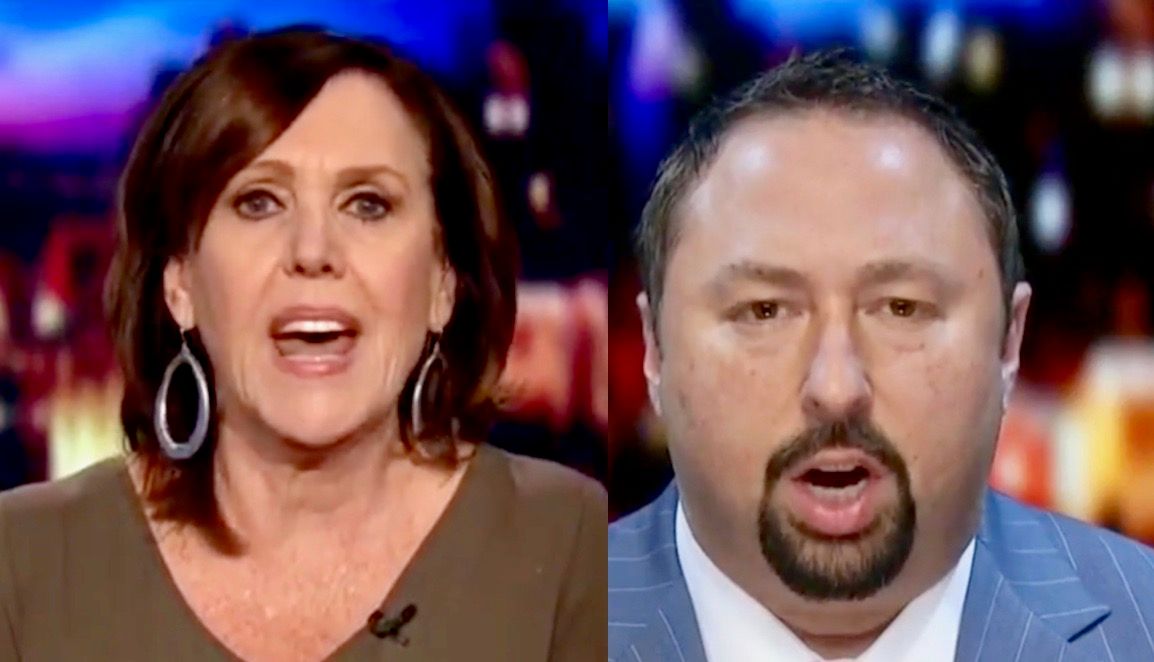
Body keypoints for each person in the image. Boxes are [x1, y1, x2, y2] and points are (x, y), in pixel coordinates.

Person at [0, 28, 606, 662]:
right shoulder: (25, 563)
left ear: (442, 282)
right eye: (259, 202)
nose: (313, 251)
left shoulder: (574, 549)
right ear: (180, 281)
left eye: (367, 205)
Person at [608, 51, 1154, 662]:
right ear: (654, 348)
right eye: (764, 311)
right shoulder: (545, 623)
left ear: (1009, 342)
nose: (836, 388)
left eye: (901, 308)